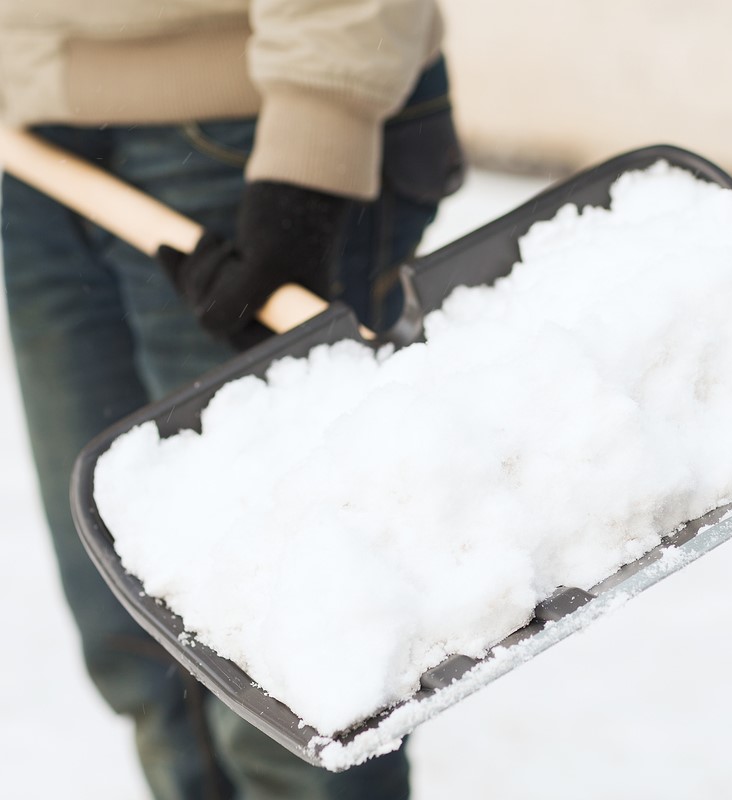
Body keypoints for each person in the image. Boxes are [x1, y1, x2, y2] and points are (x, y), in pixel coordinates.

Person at [0, 2, 464, 798]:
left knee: (288, 663)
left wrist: (308, 168)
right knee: (140, 638)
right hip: (30, 130)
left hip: (249, 126)